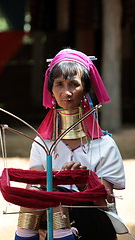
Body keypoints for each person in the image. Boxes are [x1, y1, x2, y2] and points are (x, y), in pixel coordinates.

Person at [14, 49, 125, 240]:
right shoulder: (43, 143)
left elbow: (103, 202)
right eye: (59, 84)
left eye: (74, 84)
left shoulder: (105, 145)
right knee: (32, 200)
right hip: (50, 217)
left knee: (57, 199)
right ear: (51, 91)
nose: (66, 92)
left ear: (85, 89)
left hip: (95, 221)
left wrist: (84, 182)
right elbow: (35, 189)